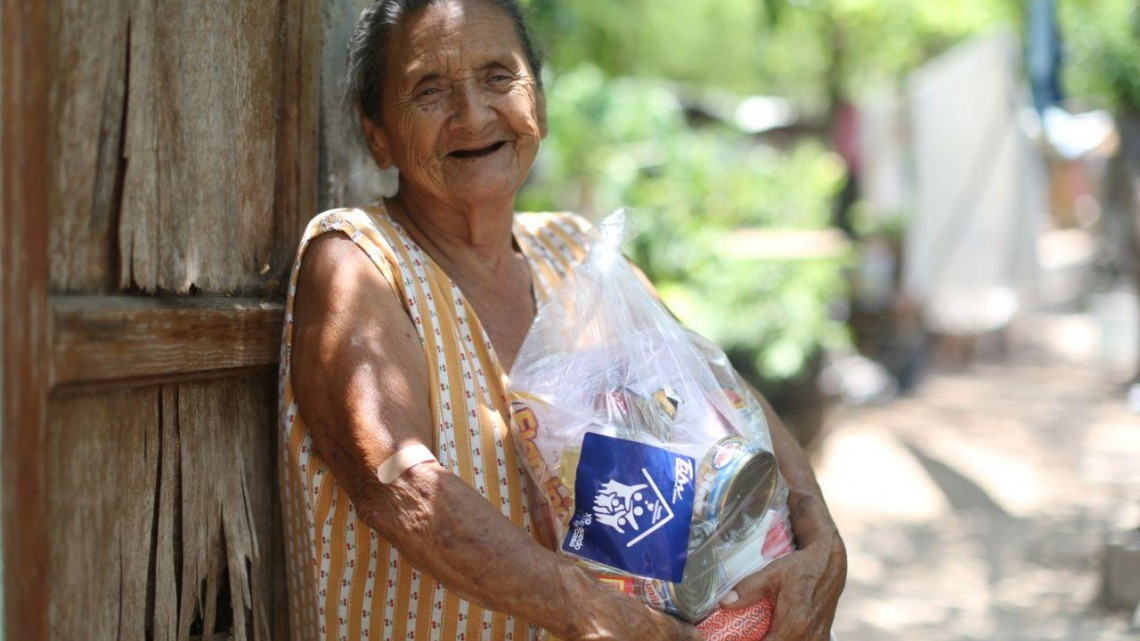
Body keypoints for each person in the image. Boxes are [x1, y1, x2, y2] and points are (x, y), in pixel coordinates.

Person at [278, 0, 847, 639]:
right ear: (377, 133)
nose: (473, 115)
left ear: (539, 106)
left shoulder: (577, 254)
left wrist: (819, 538)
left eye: (499, 77)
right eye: (429, 90)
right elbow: (399, 488)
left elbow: (724, 401)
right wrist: (593, 611)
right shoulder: (357, 263)